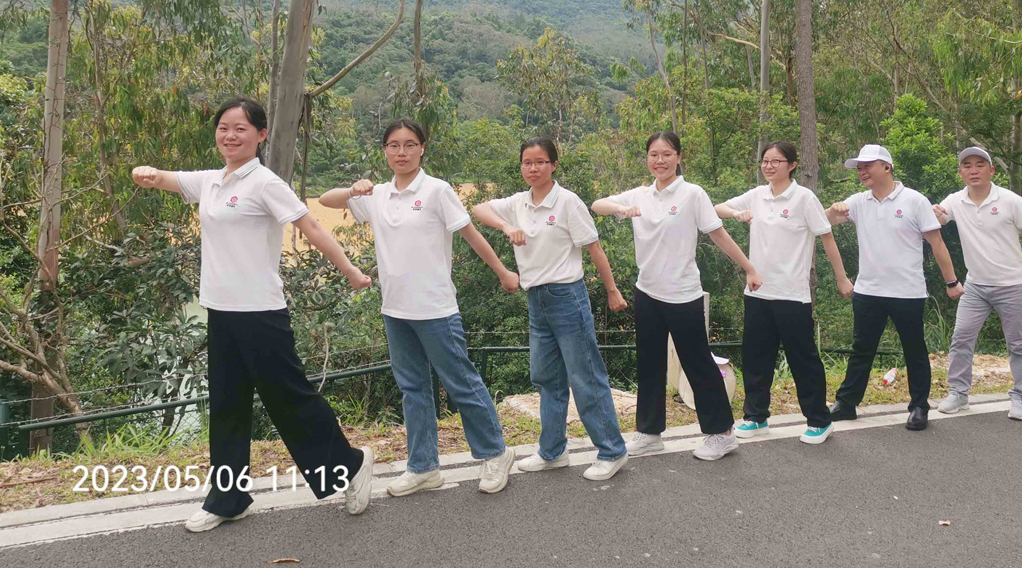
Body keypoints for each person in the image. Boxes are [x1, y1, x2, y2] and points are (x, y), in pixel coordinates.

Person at [131, 97, 376, 533]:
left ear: (261, 135)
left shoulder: (265, 182)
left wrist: (352, 271)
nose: (230, 135)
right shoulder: (211, 181)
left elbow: (312, 227)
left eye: (240, 129)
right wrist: (146, 175)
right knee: (227, 405)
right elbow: (168, 179)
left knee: (289, 400)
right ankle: (228, 498)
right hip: (221, 310)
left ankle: (351, 466)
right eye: (224, 128)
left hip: (261, 311)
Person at [319, 119, 517, 497]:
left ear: (422, 148)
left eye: (410, 145)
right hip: (395, 308)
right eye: (394, 146)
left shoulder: (437, 191)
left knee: (461, 383)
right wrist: (352, 189)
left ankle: (495, 452)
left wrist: (503, 271)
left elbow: (470, 235)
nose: (402, 153)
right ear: (385, 151)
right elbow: (326, 201)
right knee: (413, 389)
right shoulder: (377, 194)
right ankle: (423, 466)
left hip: (436, 307)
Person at [592, 131, 762, 461]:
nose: (660, 160)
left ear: (679, 158)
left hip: (683, 295)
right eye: (654, 154)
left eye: (667, 154)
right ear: (647, 158)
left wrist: (749, 268)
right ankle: (650, 431)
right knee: (649, 364)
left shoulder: (692, 194)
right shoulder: (639, 195)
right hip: (648, 292)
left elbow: (718, 234)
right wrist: (622, 209)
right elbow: (598, 206)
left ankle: (721, 433)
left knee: (697, 363)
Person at [471, 137, 630, 481]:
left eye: (541, 162)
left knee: (585, 377)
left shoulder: (568, 202)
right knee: (547, 379)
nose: (533, 168)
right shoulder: (518, 203)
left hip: (567, 298)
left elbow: (594, 249)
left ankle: (612, 450)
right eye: (527, 162)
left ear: (554, 164)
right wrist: (506, 225)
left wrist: (612, 291)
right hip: (536, 300)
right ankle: (553, 450)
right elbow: (477, 209)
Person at [714, 141, 854, 446]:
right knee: (756, 358)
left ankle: (819, 420)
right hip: (758, 292)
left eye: (776, 161)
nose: (768, 166)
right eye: (765, 161)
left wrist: (842, 278)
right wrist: (737, 214)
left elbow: (826, 237)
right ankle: (756, 416)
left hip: (792, 294)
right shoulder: (757, 196)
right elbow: (718, 209)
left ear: (791, 165)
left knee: (803, 359)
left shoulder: (804, 198)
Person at [826, 144, 964, 431]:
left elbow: (936, 244)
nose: (862, 171)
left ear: (887, 167)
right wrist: (833, 209)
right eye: (859, 168)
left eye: (868, 165)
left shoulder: (914, 200)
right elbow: (825, 222)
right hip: (868, 290)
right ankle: (846, 404)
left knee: (914, 349)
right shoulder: (859, 201)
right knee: (862, 349)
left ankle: (918, 407)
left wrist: (951, 281)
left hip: (907, 292)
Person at [933, 147, 1022, 421]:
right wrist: (931, 212)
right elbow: (936, 220)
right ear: (961, 173)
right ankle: (958, 393)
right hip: (976, 286)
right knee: (961, 339)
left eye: (980, 165)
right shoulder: (955, 200)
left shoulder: (1011, 200)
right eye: (967, 166)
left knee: (1017, 343)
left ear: (992, 171)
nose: (974, 170)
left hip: (1013, 284)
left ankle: (1021, 398)